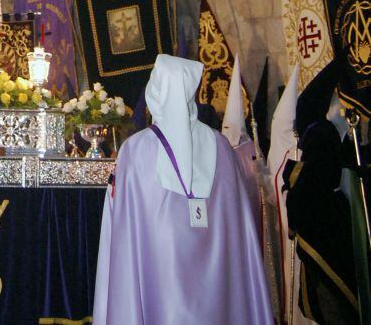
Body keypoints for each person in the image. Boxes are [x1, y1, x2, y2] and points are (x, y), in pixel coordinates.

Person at [94, 54, 272, 324]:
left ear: (156, 90)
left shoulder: (136, 149)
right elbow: (239, 235)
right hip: (218, 276)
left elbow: (121, 227)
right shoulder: (223, 146)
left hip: (160, 268)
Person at [282, 59, 361, 324]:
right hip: (330, 219)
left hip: (326, 224)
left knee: (335, 301)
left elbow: (311, 180)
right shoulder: (321, 131)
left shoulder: (319, 132)